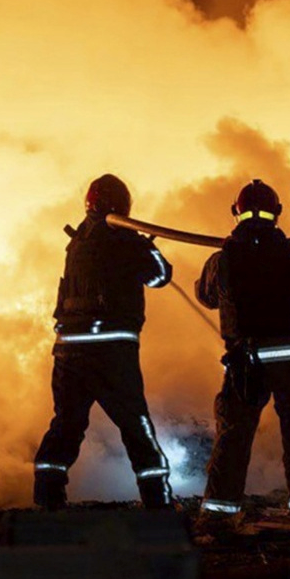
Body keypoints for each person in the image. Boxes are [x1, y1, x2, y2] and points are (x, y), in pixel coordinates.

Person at [194, 179, 290, 541]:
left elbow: (205, 296)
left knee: (234, 436)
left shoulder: (223, 258)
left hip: (248, 362)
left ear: (235, 211)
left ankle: (219, 516)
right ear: (277, 211)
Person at [33, 174, 175, 510]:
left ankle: (47, 500)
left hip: (69, 350)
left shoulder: (77, 241)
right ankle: (159, 505)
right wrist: (146, 243)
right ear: (124, 205)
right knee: (136, 426)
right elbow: (160, 276)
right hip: (110, 351)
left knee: (66, 424)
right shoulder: (124, 240)